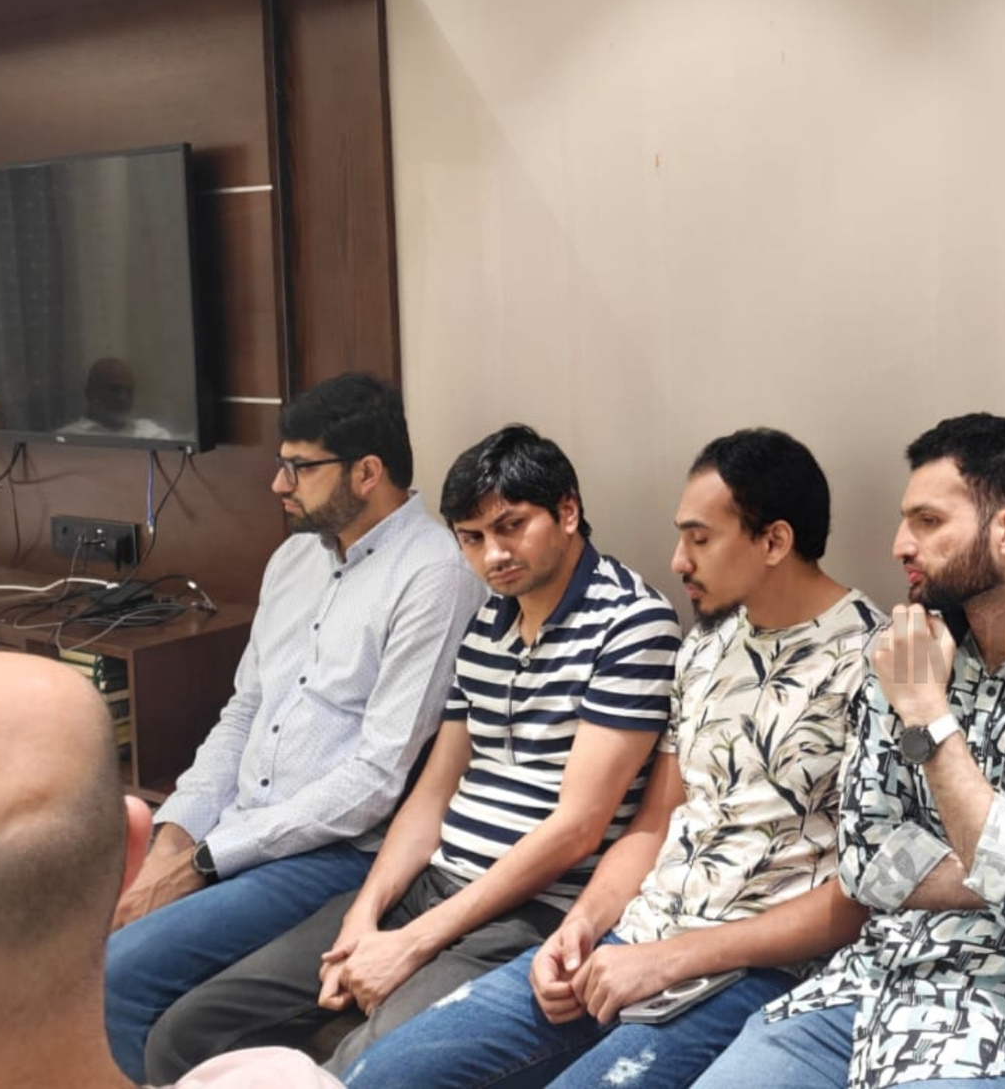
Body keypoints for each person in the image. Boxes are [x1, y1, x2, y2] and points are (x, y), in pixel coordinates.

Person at [342, 427, 884, 1089]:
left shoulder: (877, 663)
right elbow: (654, 825)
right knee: (381, 1073)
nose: (678, 560)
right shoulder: (706, 648)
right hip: (635, 935)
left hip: (755, 967)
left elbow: (861, 897)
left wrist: (670, 959)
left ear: (774, 541)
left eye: (700, 539)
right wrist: (580, 927)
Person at [141, 425, 684, 1080]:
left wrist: (415, 942)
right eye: (471, 538)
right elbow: (432, 792)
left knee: (363, 1070)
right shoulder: (489, 624)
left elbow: (578, 829)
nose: (494, 555)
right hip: (432, 883)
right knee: (185, 1030)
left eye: (511, 527)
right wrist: (365, 915)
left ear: (567, 511)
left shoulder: (632, 623)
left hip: (533, 912)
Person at [697, 413, 1005, 1089]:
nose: (899, 545)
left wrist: (927, 716)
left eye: (928, 522)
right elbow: (864, 861)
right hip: (865, 988)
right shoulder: (902, 647)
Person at [106, 373, 485, 1081]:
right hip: (240, 830)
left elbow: (376, 780)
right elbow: (243, 710)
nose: (278, 484)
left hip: (331, 852)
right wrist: (177, 837)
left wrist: (205, 862)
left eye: (300, 468)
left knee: (119, 975)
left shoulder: (435, 575)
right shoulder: (292, 559)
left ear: (367, 473)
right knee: (100, 937)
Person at [0, 651, 342, 1089]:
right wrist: (177, 849)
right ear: (132, 849)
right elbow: (239, 719)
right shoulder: (286, 1079)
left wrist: (187, 857)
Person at [61, 356, 172, 438]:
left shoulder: (153, 434)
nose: (123, 398)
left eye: (129, 390)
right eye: (114, 389)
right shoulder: (68, 438)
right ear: (90, 393)